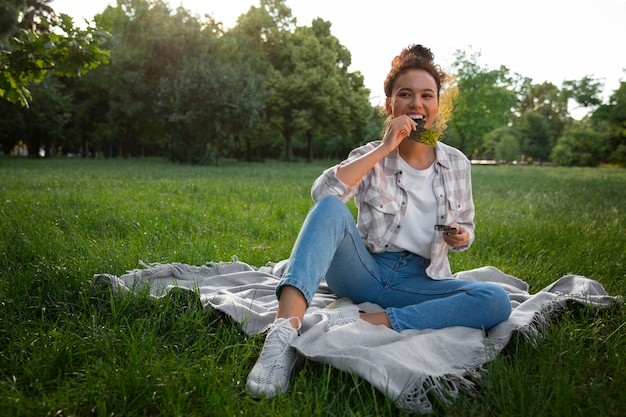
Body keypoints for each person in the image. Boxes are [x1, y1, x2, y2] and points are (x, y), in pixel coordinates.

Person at [246, 44, 512, 398]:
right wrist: (385, 149)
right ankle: (282, 336)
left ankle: (373, 321)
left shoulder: (457, 164)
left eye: (426, 95)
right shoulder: (370, 154)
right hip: (363, 271)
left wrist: (462, 236)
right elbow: (323, 195)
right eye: (405, 94)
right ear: (391, 106)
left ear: (436, 106)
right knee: (329, 207)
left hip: (419, 282)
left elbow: (466, 224)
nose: (416, 103)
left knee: (495, 300)